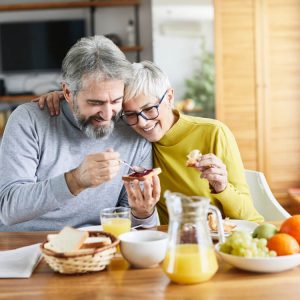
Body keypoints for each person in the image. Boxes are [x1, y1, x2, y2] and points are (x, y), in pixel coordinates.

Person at [35, 61, 263, 225]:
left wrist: (223, 188)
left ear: (170, 97)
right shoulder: (132, 137)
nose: (142, 123)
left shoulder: (214, 133)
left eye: (149, 109)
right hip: (163, 243)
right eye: (131, 114)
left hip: (215, 240)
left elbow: (251, 216)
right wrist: (65, 98)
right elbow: (96, 104)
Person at [0, 36, 159, 231]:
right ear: (67, 93)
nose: (108, 115)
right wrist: (75, 180)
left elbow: (133, 225)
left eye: (116, 101)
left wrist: (143, 214)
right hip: (24, 245)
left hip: (96, 248)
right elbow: (8, 208)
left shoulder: (133, 130)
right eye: (95, 103)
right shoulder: (29, 120)